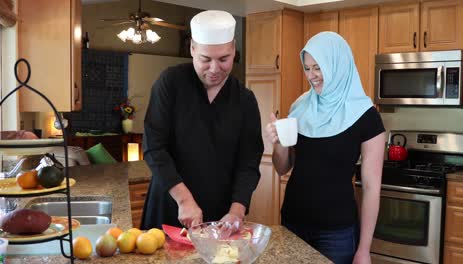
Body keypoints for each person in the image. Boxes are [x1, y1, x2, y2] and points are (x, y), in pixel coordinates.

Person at [265, 32, 386, 264]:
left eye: (318, 68)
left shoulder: (366, 117)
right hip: (293, 222)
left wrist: (364, 250)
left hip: (337, 232)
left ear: (337, 65)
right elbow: (282, 168)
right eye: (307, 68)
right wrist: (279, 144)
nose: (312, 76)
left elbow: (371, 188)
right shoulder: (300, 107)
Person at [141, 10, 264, 230]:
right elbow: (154, 148)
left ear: (233, 49)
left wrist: (237, 211)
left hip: (220, 216)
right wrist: (184, 200)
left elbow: (248, 163)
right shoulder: (171, 83)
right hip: (170, 206)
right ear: (192, 49)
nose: (215, 69)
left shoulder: (245, 100)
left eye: (224, 59)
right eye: (205, 60)